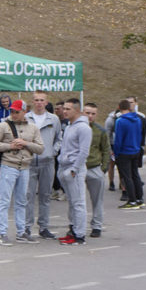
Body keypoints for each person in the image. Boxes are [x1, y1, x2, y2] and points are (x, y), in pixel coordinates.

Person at [0, 99, 44, 246]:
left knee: (21, 201)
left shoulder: (33, 128)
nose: (14, 114)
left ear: (25, 111)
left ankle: (21, 232)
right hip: (8, 165)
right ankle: (3, 233)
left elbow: (40, 148)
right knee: (5, 201)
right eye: (12, 111)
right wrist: (9, 146)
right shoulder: (3, 125)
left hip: (25, 167)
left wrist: (25, 144)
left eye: (17, 111)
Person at [25, 91, 61, 239]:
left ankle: (44, 227)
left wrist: (53, 151)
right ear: (33, 102)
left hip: (47, 162)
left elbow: (59, 137)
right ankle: (26, 227)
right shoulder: (26, 118)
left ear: (46, 102)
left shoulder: (54, 119)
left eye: (42, 100)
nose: (39, 102)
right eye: (36, 100)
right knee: (28, 196)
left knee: (45, 196)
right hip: (30, 162)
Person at [55, 99, 92, 245]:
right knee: (71, 202)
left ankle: (79, 235)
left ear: (77, 110)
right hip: (64, 167)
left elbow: (83, 152)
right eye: (64, 108)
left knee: (78, 203)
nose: (64, 111)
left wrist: (74, 170)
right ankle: (72, 230)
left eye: (68, 109)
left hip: (74, 169)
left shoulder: (83, 128)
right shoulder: (69, 126)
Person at [82, 102, 111, 238]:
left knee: (97, 200)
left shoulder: (100, 131)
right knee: (77, 200)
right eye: (87, 113)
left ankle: (97, 226)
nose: (90, 116)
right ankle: (76, 224)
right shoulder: (76, 128)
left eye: (93, 113)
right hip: (79, 169)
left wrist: (103, 169)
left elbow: (106, 150)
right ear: (82, 112)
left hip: (94, 168)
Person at [113, 98, 145, 209]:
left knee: (127, 177)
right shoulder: (137, 119)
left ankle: (131, 200)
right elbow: (140, 135)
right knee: (135, 174)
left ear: (119, 107)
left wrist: (116, 153)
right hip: (135, 150)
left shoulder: (120, 121)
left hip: (124, 152)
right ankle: (140, 198)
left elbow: (118, 139)